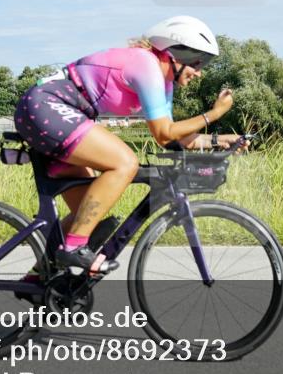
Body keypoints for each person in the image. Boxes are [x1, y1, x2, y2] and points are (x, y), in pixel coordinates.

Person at [13, 16, 246, 275]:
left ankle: (38, 280)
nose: (200, 72)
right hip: (47, 106)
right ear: (175, 54)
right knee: (125, 163)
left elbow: (174, 138)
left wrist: (220, 140)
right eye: (197, 63)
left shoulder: (163, 81)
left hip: (61, 112)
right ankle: (73, 250)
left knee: (88, 215)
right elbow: (163, 134)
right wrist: (213, 114)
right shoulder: (145, 64)